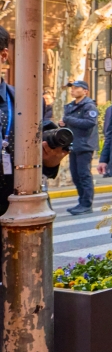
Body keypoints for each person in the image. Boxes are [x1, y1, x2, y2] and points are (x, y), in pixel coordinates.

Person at [0, 26, 68, 216]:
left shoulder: (27, 101)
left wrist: (51, 161)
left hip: (17, 211)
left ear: (3, 55)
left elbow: (40, 160)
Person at [62, 80, 99, 215]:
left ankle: (86, 204)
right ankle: (81, 201)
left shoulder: (89, 106)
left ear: (85, 91)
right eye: (72, 88)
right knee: (76, 175)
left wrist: (68, 120)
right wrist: (63, 124)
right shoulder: (71, 106)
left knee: (84, 175)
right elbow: (68, 122)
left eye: (77, 88)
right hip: (73, 144)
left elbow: (90, 122)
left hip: (85, 145)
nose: (73, 90)